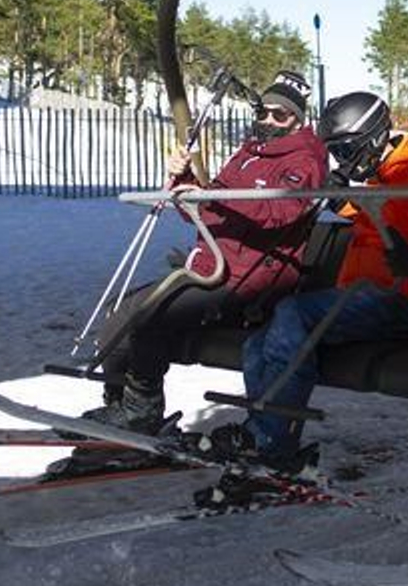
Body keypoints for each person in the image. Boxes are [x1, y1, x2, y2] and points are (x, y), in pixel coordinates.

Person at [204, 92, 408, 467]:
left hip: (399, 303)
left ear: (372, 140)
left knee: (293, 313)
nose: (342, 161)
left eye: (346, 151)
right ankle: (267, 436)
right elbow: (382, 216)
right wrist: (345, 203)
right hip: (360, 297)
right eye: (336, 153)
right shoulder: (386, 171)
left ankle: (268, 438)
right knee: (257, 344)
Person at [84, 70, 327, 432]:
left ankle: (142, 408)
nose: (269, 120)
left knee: (151, 318)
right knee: (120, 312)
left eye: (280, 114)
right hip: (210, 265)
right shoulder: (249, 153)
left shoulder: (305, 159)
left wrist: (217, 198)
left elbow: (281, 211)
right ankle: (120, 402)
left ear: (298, 119)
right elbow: (204, 211)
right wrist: (186, 184)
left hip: (247, 280)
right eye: (263, 111)